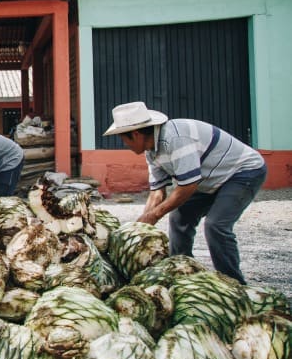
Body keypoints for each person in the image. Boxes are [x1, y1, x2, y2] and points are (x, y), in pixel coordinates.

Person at [103, 101, 267, 285]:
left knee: (216, 225)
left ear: (136, 134)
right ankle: (182, 273)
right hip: (208, 179)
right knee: (179, 218)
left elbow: (188, 186)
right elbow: (157, 192)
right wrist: (142, 224)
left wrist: (155, 215)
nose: (124, 144)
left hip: (241, 172)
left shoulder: (175, 139)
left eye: (124, 139)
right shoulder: (152, 152)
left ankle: (234, 284)